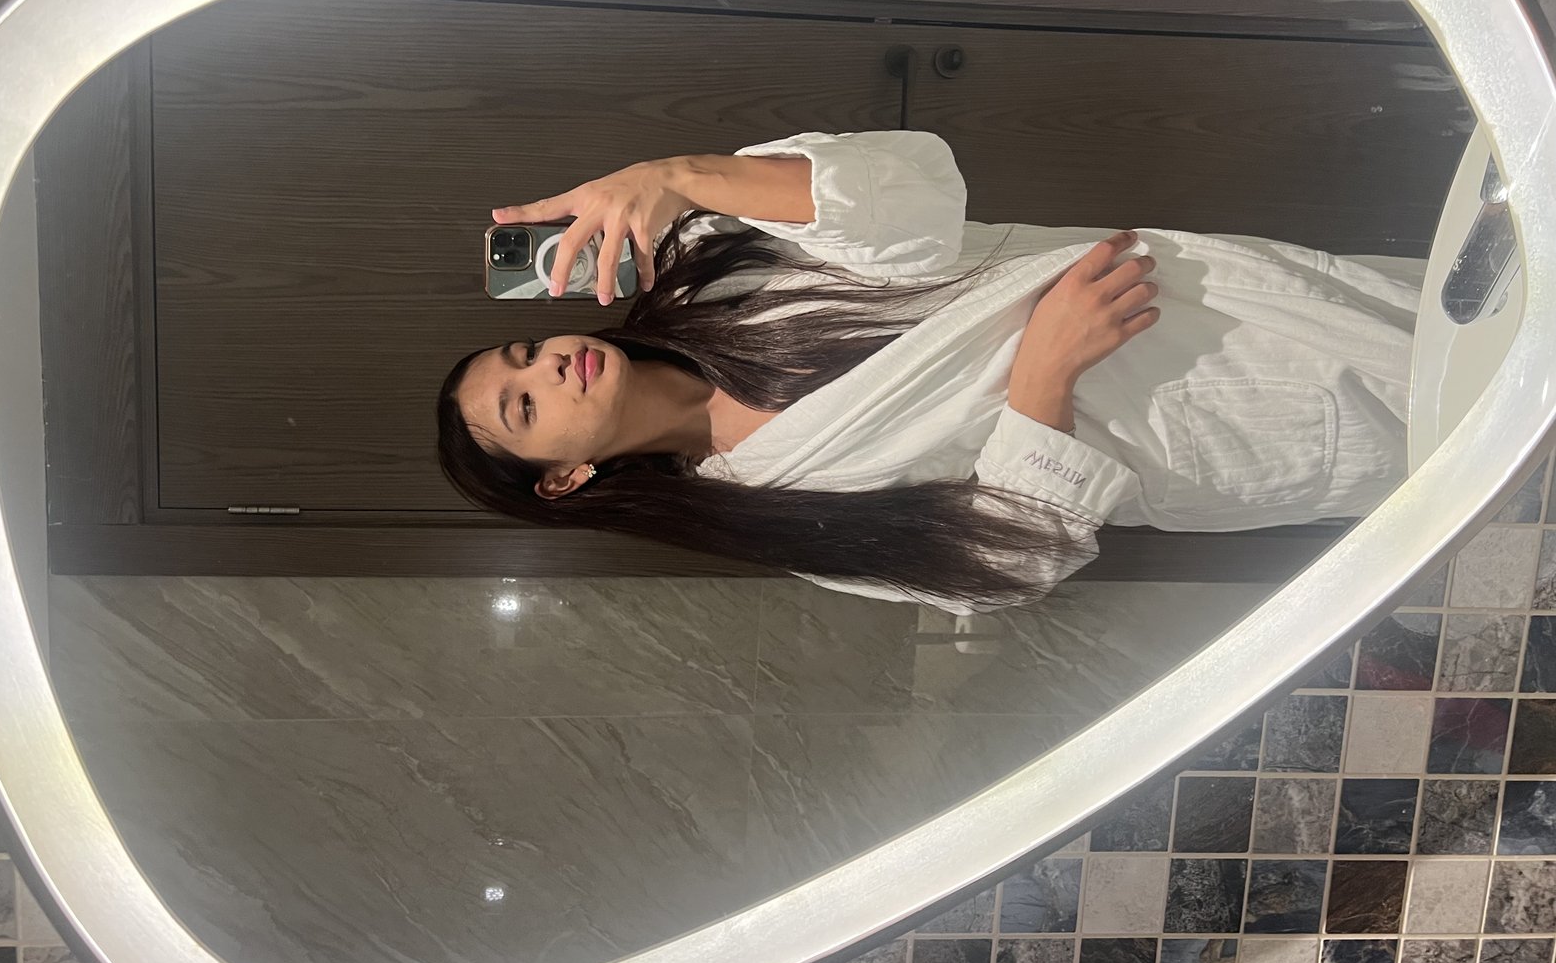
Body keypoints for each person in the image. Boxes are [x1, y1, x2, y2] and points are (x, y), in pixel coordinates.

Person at [437, 131, 1422, 613]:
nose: (548, 365)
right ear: (564, 477)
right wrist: (1041, 379)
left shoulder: (713, 268)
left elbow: (910, 202)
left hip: (1205, 299)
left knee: (1466, 315)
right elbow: (1003, 563)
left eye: (524, 352)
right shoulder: (767, 510)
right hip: (1216, 435)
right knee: (1465, 425)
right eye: (523, 406)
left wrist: (680, 178)